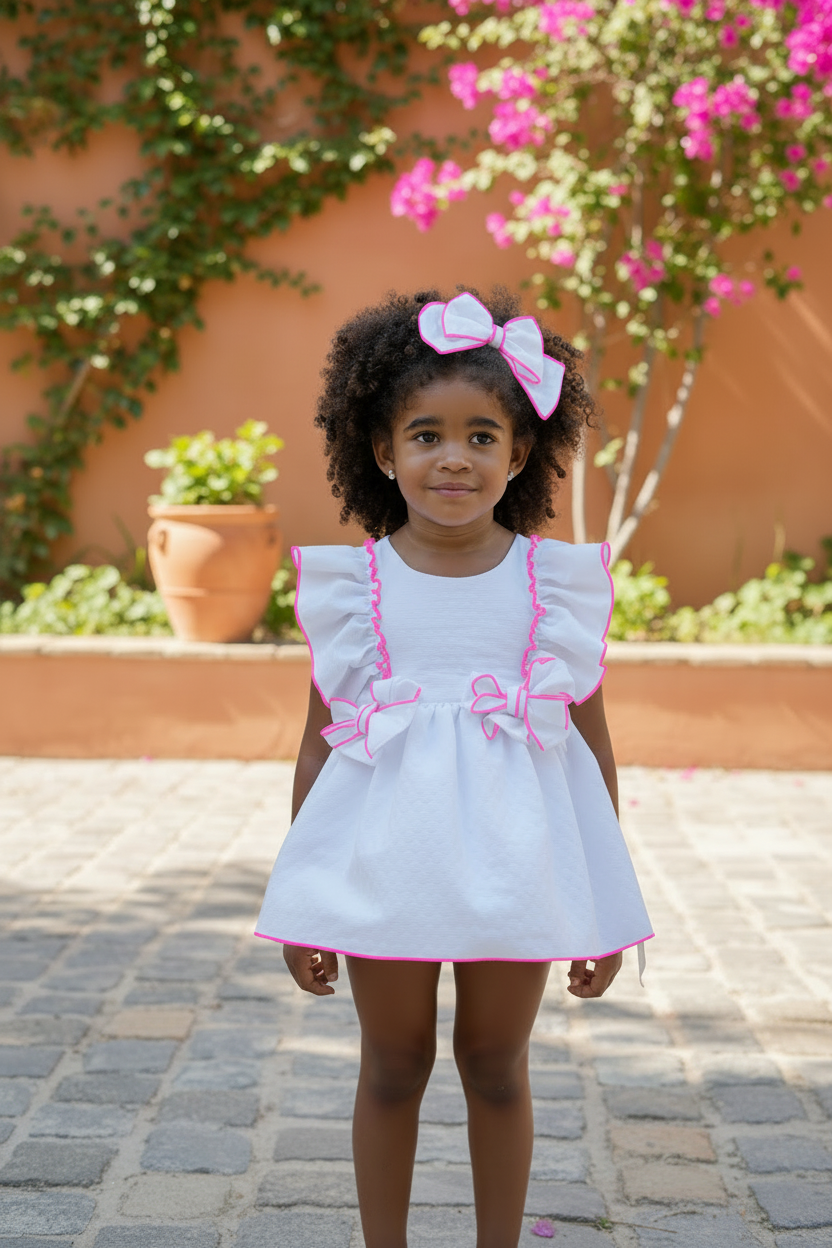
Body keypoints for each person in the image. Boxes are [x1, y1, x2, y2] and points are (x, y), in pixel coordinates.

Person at [256, 287, 653, 1248]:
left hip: (516, 865)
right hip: (385, 863)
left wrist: (600, 900)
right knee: (392, 1063)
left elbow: (589, 745)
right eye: (425, 434)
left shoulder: (550, 588)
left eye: (482, 436)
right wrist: (308, 896)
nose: (454, 458)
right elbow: (321, 741)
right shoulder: (357, 591)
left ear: (520, 454)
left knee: (494, 1063)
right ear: (382, 452)